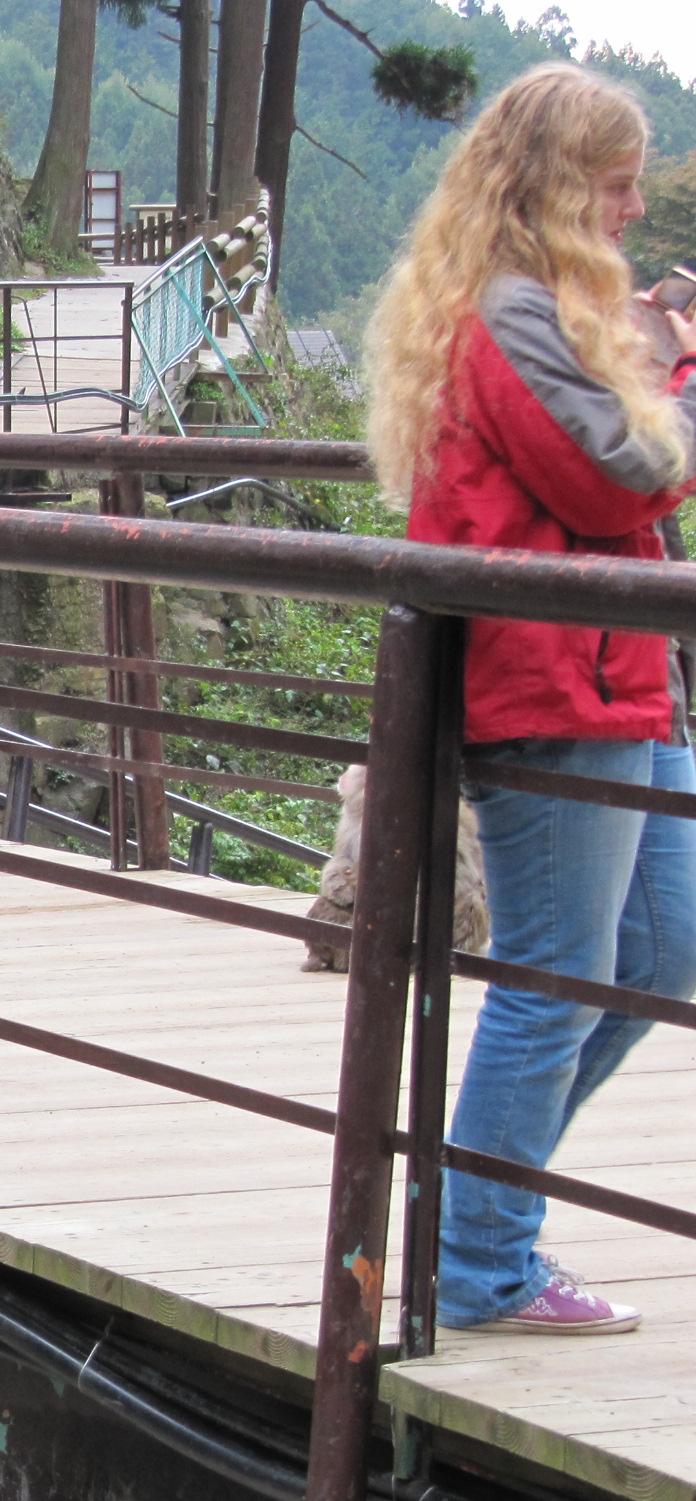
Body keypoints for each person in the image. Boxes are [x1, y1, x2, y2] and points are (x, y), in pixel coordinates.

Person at [366, 62, 696, 1335]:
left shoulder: (534, 305)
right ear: (558, 186)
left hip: (620, 676)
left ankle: (476, 1213)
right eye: (616, 186)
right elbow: (618, 474)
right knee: (555, 976)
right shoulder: (509, 310)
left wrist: (646, 355)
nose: (631, 210)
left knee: (662, 954)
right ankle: (479, 1262)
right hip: (558, 680)